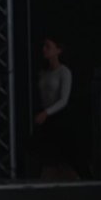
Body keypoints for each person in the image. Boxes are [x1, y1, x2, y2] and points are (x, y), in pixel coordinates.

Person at [31, 37, 78, 179]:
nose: (44, 50)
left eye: (48, 47)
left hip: (59, 116)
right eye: (44, 46)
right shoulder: (43, 72)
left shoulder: (64, 72)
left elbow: (64, 100)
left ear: (58, 50)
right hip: (45, 118)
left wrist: (46, 113)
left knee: (64, 157)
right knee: (46, 156)